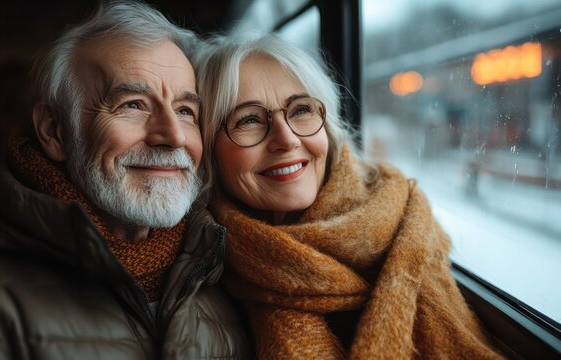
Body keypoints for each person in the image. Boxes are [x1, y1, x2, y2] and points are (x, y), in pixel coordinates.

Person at [0, 2, 249, 359]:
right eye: (133, 105)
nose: (173, 135)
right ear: (54, 131)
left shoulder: (224, 273)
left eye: (186, 111)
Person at [195, 34, 503, 359]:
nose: (286, 139)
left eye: (301, 109)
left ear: (326, 126)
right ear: (210, 151)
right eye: (249, 120)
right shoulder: (202, 273)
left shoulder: (402, 214)